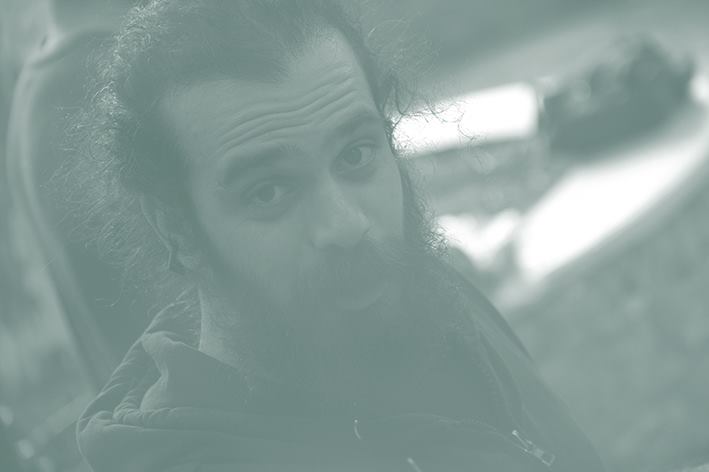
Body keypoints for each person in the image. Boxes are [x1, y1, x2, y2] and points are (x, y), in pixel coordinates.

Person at [72, 1, 607, 470]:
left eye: (355, 155)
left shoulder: (433, 301)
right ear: (176, 229)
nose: (347, 226)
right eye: (268, 191)